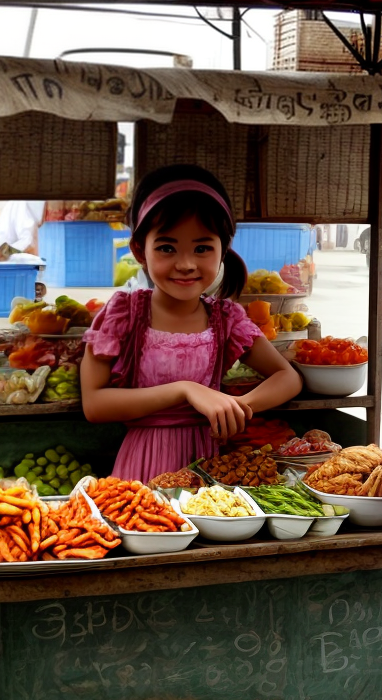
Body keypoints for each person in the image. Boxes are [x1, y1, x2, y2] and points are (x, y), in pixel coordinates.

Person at [80, 164, 302, 483]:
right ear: (140, 251)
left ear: (222, 250)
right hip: (143, 469)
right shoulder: (123, 314)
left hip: (210, 474)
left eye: (202, 248)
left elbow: (287, 376)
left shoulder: (225, 319)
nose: (185, 264)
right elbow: (95, 404)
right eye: (167, 248)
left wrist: (236, 406)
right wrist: (186, 390)